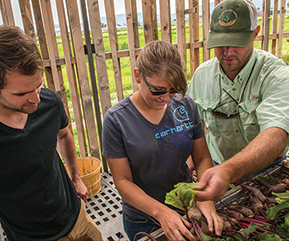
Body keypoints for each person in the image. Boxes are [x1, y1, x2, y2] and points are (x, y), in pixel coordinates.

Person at [102, 40, 222, 241]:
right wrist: (161, 212)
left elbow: (201, 158)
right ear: (138, 75)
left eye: (172, 90)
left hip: (185, 204)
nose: (165, 98)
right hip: (144, 217)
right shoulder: (117, 120)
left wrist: (203, 195)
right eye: (157, 90)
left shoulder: (186, 106)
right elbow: (122, 181)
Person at [0, 25, 103, 241]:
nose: (36, 99)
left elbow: (64, 135)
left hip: (77, 216)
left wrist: (76, 178)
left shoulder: (49, 103)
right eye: (22, 93)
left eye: (38, 86)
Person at [187, 0, 289, 201]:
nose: (227, 53)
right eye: (221, 43)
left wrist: (229, 171)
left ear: (255, 34)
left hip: (268, 171)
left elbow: (276, 134)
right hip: (216, 168)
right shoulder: (202, 76)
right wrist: (194, 161)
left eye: (237, 43)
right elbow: (192, 125)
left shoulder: (275, 75)